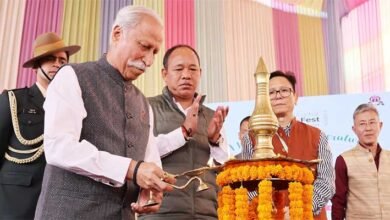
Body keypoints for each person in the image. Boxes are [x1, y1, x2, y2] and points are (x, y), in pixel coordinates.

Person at [34, 6, 174, 220]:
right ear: (117, 34)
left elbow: (150, 162)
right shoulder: (72, 76)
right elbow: (58, 146)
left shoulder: (144, 104)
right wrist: (132, 170)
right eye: (144, 46)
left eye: (154, 52)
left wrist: (150, 189)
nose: (149, 61)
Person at [140, 44, 229, 219]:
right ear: (164, 74)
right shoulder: (146, 107)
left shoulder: (213, 117)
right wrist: (183, 133)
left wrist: (215, 141)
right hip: (161, 214)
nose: (186, 75)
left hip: (207, 214)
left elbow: (224, 170)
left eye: (192, 69)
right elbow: (140, 153)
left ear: (200, 73)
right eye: (179, 69)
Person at [0, 32, 80, 219]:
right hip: (15, 201)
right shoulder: (13, 100)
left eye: (62, 60)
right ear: (36, 65)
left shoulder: (73, 107)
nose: (57, 64)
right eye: (50, 59)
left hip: (57, 202)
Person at [242, 70, 334, 219]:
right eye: (271, 92)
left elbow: (326, 182)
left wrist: (302, 209)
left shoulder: (318, 136)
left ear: (295, 97)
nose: (278, 95)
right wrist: (269, 209)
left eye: (284, 90)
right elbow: (247, 183)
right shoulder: (250, 138)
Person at [332, 103, 389, 220]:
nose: (368, 128)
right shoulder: (343, 160)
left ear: (380, 125)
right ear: (354, 129)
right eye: (362, 124)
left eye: (372, 122)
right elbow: (338, 202)